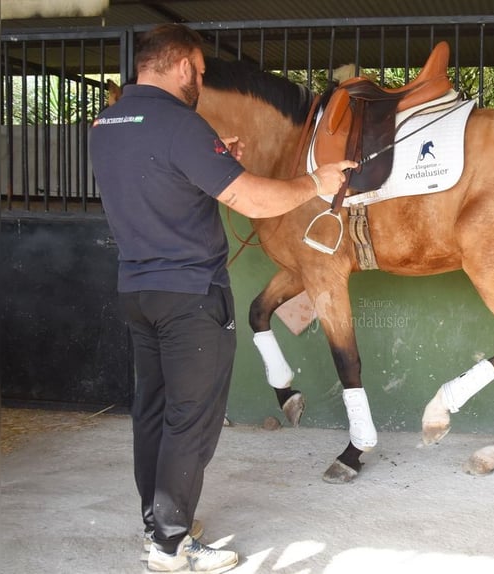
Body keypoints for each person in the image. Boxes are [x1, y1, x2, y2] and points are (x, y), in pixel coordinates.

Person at [89, 23, 355, 574]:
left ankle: (158, 522)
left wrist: (218, 158)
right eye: (202, 72)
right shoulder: (182, 125)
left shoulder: (107, 122)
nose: (201, 81)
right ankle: (170, 547)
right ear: (184, 65)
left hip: (138, 290)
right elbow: (253, 199)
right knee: (191, 422)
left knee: (154, 413)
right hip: (191, 299)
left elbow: (160, 177)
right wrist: (316, 182)